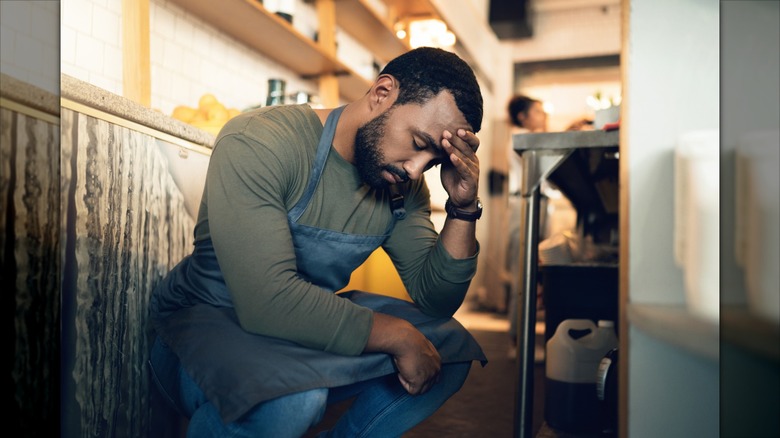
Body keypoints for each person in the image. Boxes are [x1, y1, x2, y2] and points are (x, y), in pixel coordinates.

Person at [149, 47, 487, 437]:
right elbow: (266, 301)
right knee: (293, 399)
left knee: (447, 349)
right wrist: (397, 334)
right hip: (203, 323)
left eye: (432, 160)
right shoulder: (260, 140)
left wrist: (462, 206)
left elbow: (437, 300)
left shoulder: (402, 185)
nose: (415, 169)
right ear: (381, 93)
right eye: (417, 142)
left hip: (298, 328)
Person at [504, 95, 547, 361]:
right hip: (524, 204)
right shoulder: (519, 135)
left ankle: (522, 341)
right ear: (523, 117)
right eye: (538, 111)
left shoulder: (527, 135)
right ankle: (517, 343)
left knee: (531, 273)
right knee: (524, 273)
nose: (543, 117)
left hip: (534, 203)